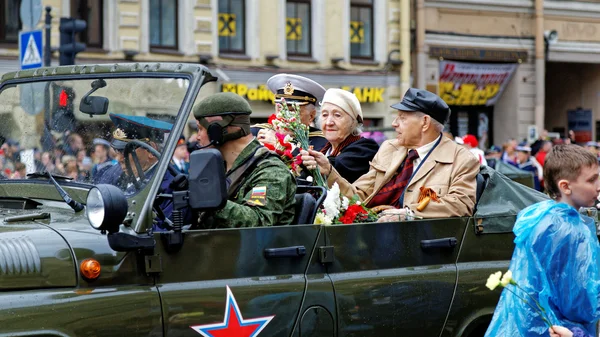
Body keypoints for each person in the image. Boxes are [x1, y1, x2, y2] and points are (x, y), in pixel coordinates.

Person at [301, 88, 479, 220]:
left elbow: (461, 204)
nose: (394, 123)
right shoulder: (390, 148)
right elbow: (359, 195)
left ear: (424, 123)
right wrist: (329, 171)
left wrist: (409, 214)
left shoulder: (460, 159)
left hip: (420, 244)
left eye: (402, 117)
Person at [484, 144, 600, 337]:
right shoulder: (573, 230)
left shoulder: (539, 216)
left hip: (528, 323)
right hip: (564, 329)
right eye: (591, 180)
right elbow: (579, 303)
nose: (598, 186)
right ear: (565, 186)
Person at [193, 92, 296, 228]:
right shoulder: (219, 168)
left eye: (200, 129)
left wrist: (211, 200)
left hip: (254, 247)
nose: (197, 137)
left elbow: (258, 219)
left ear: (217, 130)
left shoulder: (270, 170)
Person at [93, 113, 180, 231]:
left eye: (126, 151)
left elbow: (163, 234)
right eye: (116, 151)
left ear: (151, 150)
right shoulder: (112, 173)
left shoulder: (172, 186)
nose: (119, 159)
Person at [308, 88, 379, 183]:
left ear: (353, 122)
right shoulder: (322, 148)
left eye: (337, 115)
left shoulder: (365, 148)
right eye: (325, 115)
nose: (329, 122)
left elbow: (338, 167)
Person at [253, 74, 327, 151]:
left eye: (292, 111)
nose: (285, 117)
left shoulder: (323, 142)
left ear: (311, 116)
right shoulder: (256, 133)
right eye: (280, 110)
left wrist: (279, 145)